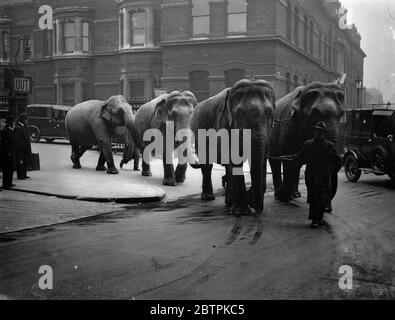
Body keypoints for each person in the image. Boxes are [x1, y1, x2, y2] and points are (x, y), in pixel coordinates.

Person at [283, 121, 342, 228]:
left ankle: (319, 219)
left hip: (323, 175)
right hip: (311, 175)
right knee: (314, 197)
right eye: (317, 131)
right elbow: (301, 157)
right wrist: (292, 158)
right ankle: (315, 220)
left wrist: (331, 170)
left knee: (322, 197)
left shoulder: (329, 146)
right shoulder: (308, 144)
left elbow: (339, 160)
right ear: (314, 132)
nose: (318, 133)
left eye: (320, 132)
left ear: (324, 133)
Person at [14, 113, 32, 180]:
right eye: (25, 119)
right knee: (20, 161)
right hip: (21, 147)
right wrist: (22, 145)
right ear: (22, 120)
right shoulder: (18, 126)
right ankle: (20, 175)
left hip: (26, 146)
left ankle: (24, 174)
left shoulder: (25, 125)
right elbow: (17, 138)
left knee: (25, 161)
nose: (26, 120)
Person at [1, 116, 16, 189]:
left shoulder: (10, 130)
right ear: (10, 123)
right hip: (7, 153)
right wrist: (8, 152)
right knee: (6, 169)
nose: (14, 124)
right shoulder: (5, 130)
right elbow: (5, 143)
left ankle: (9, 183)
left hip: (11, 152)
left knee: (11, 168)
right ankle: (5, 184)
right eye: (13, 123)